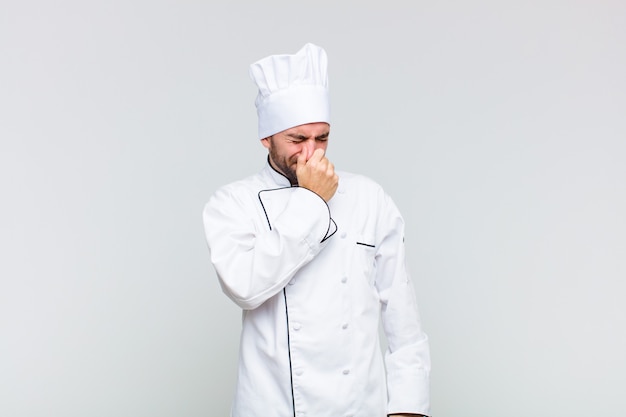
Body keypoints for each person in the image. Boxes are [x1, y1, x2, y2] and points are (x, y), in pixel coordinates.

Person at [203, 43, 431, 417]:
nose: (312, 152)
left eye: (321, 137)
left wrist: (408, 409)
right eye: (297, 140)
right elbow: (245, 287)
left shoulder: (368, 197)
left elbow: (402, 316)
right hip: (274, 407)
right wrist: (311, 201)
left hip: (360, 407)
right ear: (267, 138)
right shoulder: (232, 203)